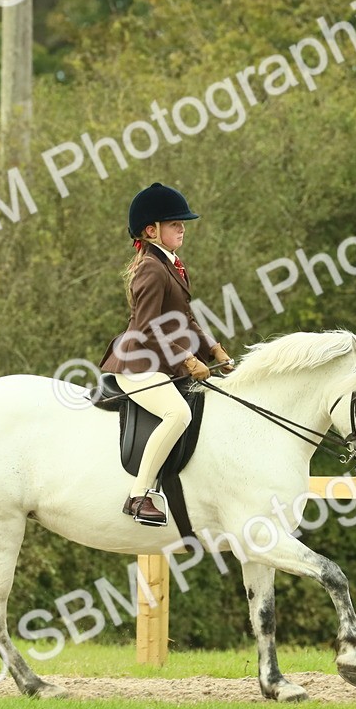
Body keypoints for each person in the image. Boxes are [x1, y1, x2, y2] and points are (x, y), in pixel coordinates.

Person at [99, 182, 234, 526]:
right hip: (137, 361)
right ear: (152, 230)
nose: (182, 228)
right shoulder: (151, 268)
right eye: (175, 223)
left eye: (182, 223)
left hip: (157, 358)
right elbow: (147, 328)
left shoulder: (171, 264)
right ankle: (138, 495)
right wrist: (188, 360)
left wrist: (214, 350)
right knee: (178, 415)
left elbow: (184, 320)